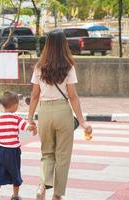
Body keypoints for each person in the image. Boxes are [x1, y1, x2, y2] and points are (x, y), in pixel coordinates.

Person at [28, 30, 92, 200]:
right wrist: (82, 121)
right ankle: (57, 195)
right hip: (63, 112)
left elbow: (34, 95)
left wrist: (29, 120)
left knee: (47, 153)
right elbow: (73, 96)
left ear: (47, 44)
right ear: (63, 44)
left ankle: (42, 185)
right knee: (63, 156)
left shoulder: (39, 67)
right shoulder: (68, 67)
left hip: (45, 112)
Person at [0, 91, 37, 200]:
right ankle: (15, 196)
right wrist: (33, 127)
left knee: (1, 173)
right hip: (12, 152)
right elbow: (27, 127)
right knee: (15, 174)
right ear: (15, 105)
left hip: (0, 151)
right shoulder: (16, 119)